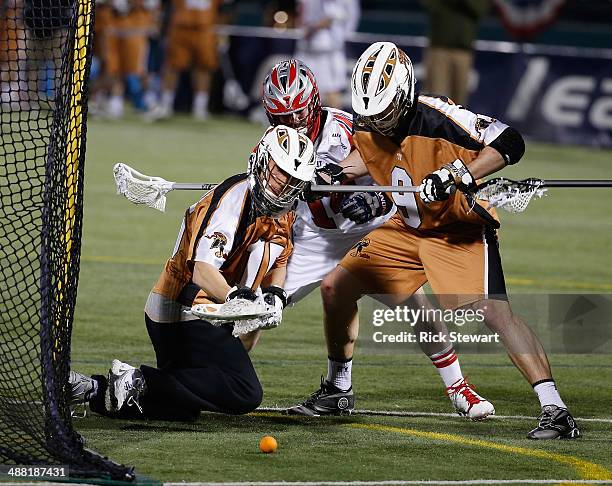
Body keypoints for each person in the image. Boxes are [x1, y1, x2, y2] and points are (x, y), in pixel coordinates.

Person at [294, 42, 579, 440]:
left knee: (494, 313)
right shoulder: (370, 122)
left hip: (455, 229)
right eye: (372, 116)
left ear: (406, 94)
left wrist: (461, 173)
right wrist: (334, 173)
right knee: (335, 287)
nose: (380, 123)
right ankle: (338, 388)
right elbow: (368, 153)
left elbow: (510, 143)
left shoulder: (441, 118)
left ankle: (556, 410)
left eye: (387, 114)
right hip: (406, 228)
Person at [263, 59, 495, 420]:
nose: (291, 123)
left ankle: (457, 386)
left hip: (369, 227)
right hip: (313, 236)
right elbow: (269, 201)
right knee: (257, 310)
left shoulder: (347, 125)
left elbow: (391, 166)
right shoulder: (272, 145)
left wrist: (376, 197)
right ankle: (224, 381)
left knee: (412, 303)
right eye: (281, 117)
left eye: (296, 114)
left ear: (312, 103)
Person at [68, 125, 316, 420]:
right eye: (279, 172)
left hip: (208, 310)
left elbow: (280, 260)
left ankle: (92, 389)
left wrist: (275, 296)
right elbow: (202, 272)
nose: (283, 185)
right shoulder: (232, 200)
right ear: (262, 161)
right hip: (184, 306)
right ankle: (139, 381)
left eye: (293, 180)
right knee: (244, 390)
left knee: (181, 406)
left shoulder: (284, 209)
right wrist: (241, 301)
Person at [145, 0, 220, 121]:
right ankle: (166, 104)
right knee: (173, 66)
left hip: (206, 27)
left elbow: (224, 9)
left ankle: (200, 107)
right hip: (180, 26)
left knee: (203, 67)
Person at [422, 0, 489, 106]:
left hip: (463, 51)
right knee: (435, 99)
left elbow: (480, 9)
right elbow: (429, 5)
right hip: (439, 49)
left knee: (460, 102)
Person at [294, 0, 359, 108]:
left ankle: (338, 123)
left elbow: (337, 18)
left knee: (332, 91)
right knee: (299, 88)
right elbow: (301, 17)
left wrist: (315, 27)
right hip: (306, 49)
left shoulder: (341, 4)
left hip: (329, 52)